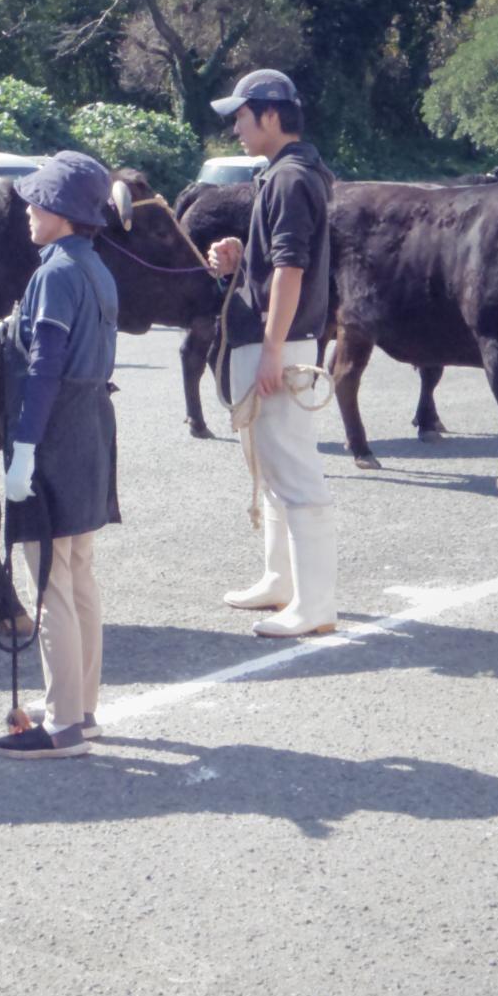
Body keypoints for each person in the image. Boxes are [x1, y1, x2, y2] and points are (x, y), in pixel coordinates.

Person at [0, 150, 121, 760]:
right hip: (93, 428)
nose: (28, 212)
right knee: (79, 575)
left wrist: (22, 450)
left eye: (38, 202)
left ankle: (63, 723)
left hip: (54, 433)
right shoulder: (96, 268)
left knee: (48, 586)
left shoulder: (52, 274)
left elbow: (44, 370)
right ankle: (84, 710)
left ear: (62, 213)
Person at [204, 68, 338, 638]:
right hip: (278, 338)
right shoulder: (289, 173)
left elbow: (291, 268)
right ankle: (281, 583)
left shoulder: (288, 180)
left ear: (270, 115)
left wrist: (272, 351)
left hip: (277, 341)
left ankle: (315, 606)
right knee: (276, 470)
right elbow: (277, 265)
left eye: (241, 114)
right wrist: (241, 262)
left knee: (294, 474)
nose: (235, 125)